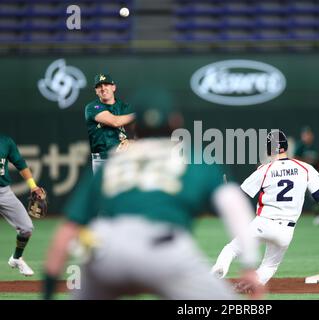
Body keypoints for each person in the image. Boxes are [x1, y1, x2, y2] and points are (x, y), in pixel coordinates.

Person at [43, 101, 265, 300]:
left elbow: (66, 232)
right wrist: (249, 266)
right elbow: (235, 206)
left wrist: (48, 292)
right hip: (164, 252)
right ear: (176, 123)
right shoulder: (193, 159)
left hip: (107, 251)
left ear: (134, 127)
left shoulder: (113, 163)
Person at [211, 129, 319, 287]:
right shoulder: (304, 168)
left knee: (232, 249)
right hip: (286, 230)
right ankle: (252, 284)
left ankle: (219, 269)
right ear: (286, 147)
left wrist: (226, 188)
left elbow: (239, 197)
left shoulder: (265, 169)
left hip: (262, 224)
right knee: (270, 266)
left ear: (269, 150)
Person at [0, 134, 45, 276]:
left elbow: (20, 163)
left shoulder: (5, 142)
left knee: (26, 228)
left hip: (3, 192)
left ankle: (16, 257)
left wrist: (33, 186)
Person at [85, 73, 135, 173]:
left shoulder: (125, 107)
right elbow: (114, 121)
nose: (103, 88)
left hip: (123, 158)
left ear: (113, 87)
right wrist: (137, 115)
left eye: (106, 84)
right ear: (96, 91)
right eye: (99, 86)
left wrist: (132, 141)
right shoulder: (92, 107)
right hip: (102, 160)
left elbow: (139, 130)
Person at [294, 126, 319, 226]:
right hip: (301, 175)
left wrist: (318, 165)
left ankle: (318, 216)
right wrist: (307, 161)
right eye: (305, 135)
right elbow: (295, 159)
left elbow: (318, 161)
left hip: (311, 176)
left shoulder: (313, 146)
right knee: (296, 197)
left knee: (315, 196)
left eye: (308, 134)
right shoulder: (300, 146)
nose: (307, 136)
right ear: (302, 136)